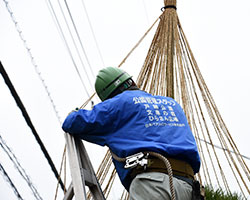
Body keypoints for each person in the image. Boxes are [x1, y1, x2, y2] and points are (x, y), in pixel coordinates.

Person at [62, 67, 201, 200]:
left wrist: (74, 112)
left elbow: (73, 122)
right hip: (188, 187)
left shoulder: (118, 104)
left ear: (109, 98)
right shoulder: (172, 104)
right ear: (132, 82)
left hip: (152, 185)